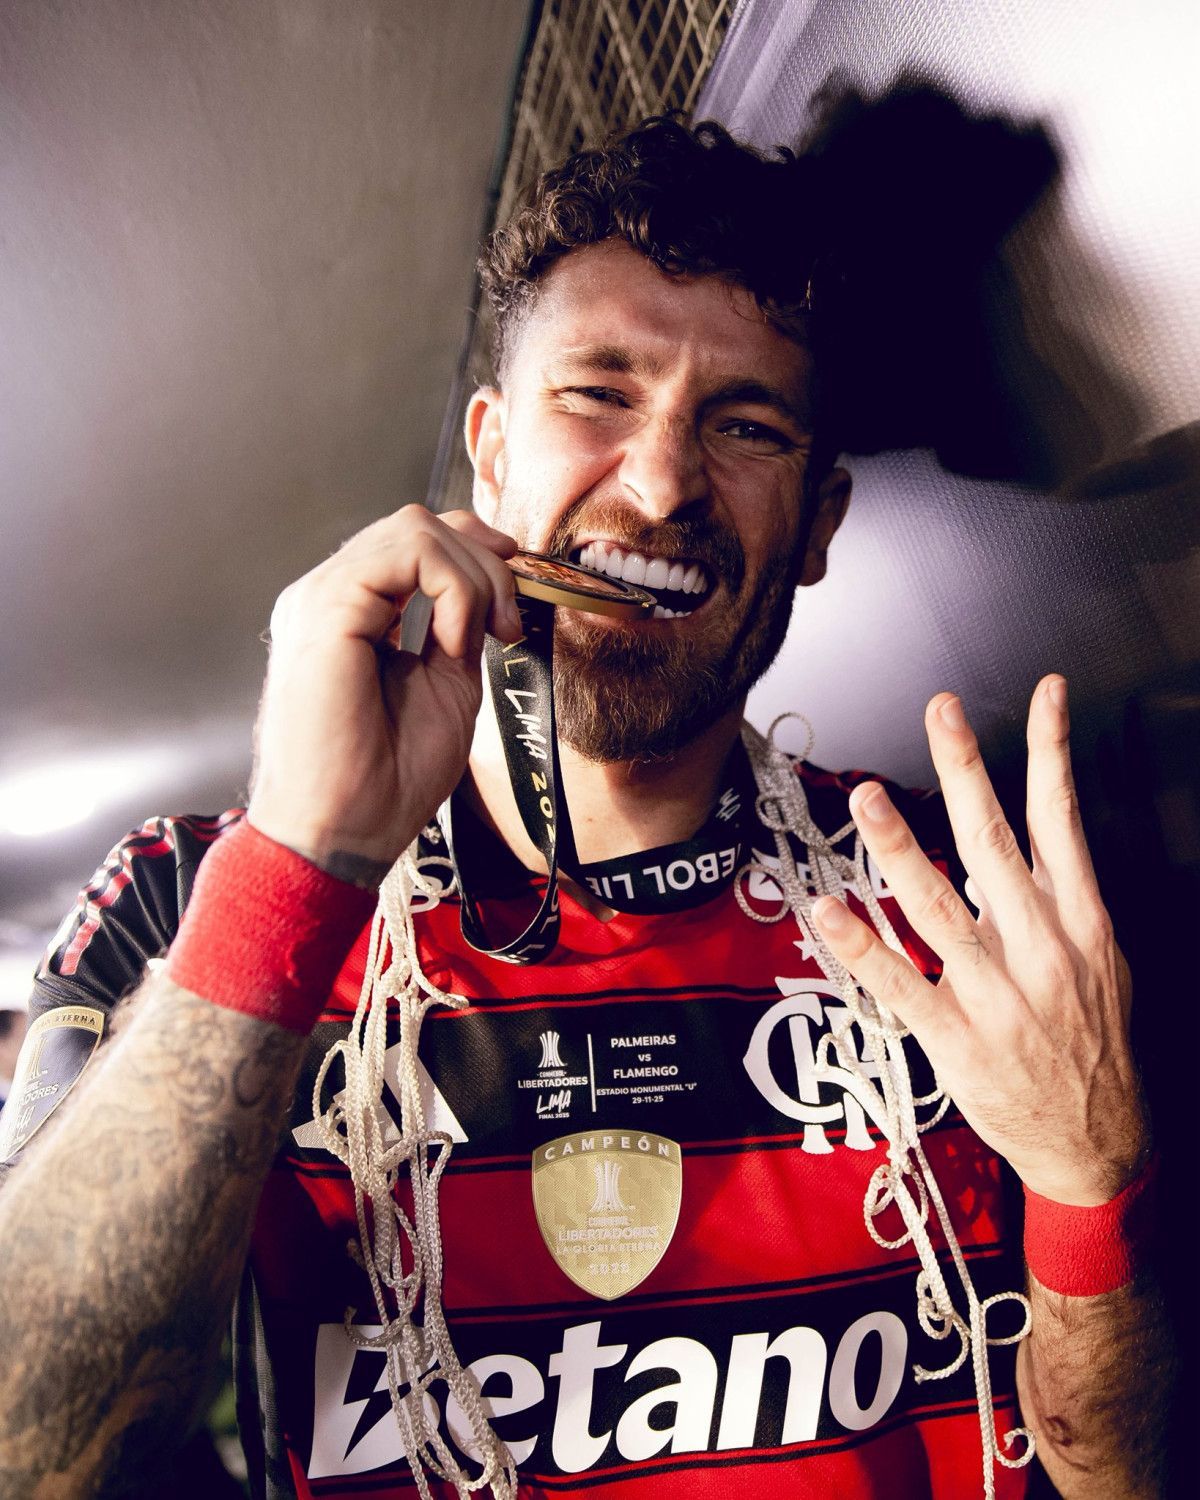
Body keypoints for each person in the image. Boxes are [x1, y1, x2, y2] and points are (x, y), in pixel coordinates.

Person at [0, 119, 1169, 1500]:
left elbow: (1119, 1474)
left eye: (745, 425)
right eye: (599, 393)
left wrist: (1094, 1187)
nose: (663, 481)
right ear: (490, 453)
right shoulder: (181, 901)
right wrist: (302, 864)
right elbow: (34, 1449)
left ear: (818, 523)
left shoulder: (967, 911)